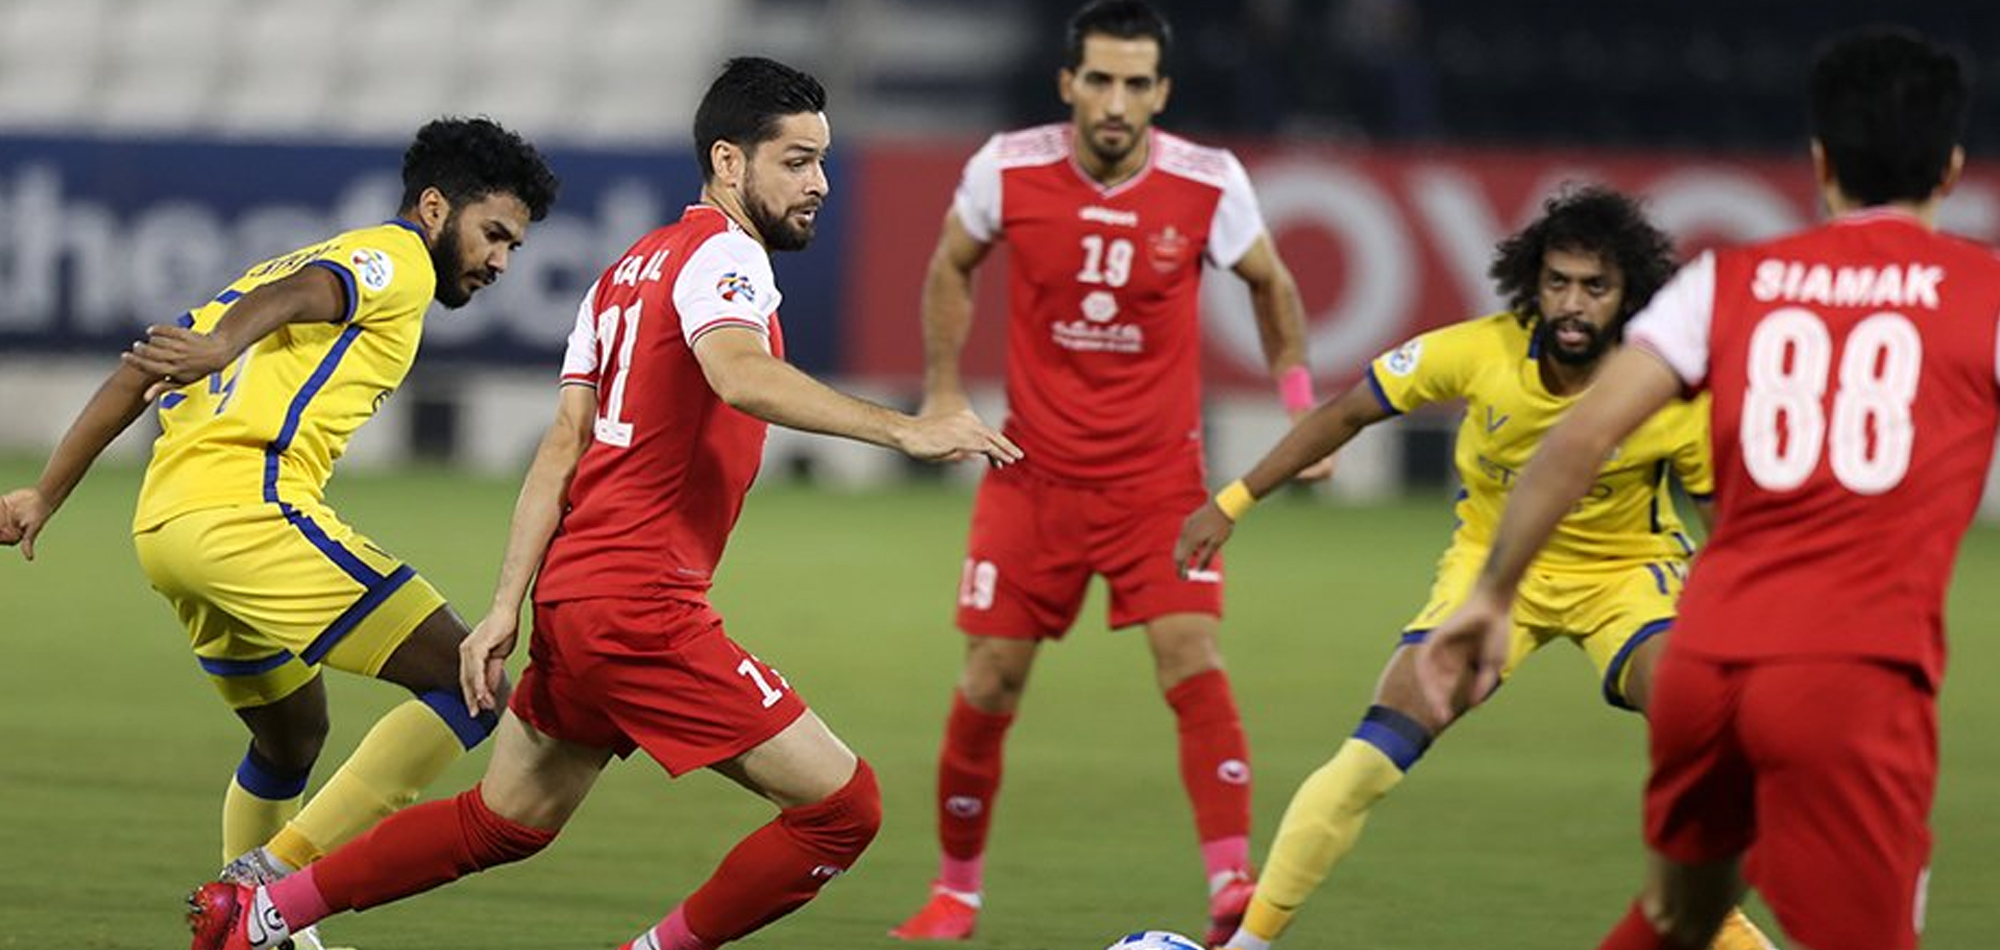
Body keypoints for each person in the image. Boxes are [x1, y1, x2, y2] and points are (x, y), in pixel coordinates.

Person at [186, 56, 1021, 950]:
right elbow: (739, 374)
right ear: (729, 163)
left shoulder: (628, 269)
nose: (818, 183)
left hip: (579, 598)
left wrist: (507, 605)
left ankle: (262, 914)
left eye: (822, 161)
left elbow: (561, 449)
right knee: (843, 809)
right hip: (640, 606)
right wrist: (905, 431)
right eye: (796, 161)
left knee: (505, 820)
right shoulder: (725, 257)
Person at [1414, 28, 1984, 950]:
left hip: (1705, 665)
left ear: (1820, 161)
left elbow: (1581, 434)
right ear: (1952, 168)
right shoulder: (1982, 294)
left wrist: (1492, 593)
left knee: (1677, 916)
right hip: (1852, 675)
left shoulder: (1725, 284)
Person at [0, 117, 558, 948]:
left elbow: (139, 368)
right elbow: (311, 293)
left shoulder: (274, 263)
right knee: (472, 683)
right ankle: (263, 891)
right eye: (494, 235)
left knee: (291, 734)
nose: (501, 262)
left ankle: (259, 930)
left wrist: (46, 492)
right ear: (436, 207)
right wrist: (227, 342)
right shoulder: (396, 257)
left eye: (514, 244)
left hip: (167, 528)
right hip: (246, 511)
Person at [1180, 186, 1773, 950]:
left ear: (1630, 295)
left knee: (1717, 751)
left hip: (1629, 580)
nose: (1572, 304)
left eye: (1595, 288)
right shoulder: (1475, 350)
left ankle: (1715, 918)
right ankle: (1245, 947)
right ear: (1532, 280)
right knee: (1368, 761)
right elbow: (1344, 414)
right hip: (1491, 579)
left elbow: (1727, 533)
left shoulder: (1672, 395)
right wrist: (1230, 502)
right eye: (1557, 282)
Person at [886, 2, 1325, 944]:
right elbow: (951, 264)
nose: (1117, 101)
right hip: (1030, 474)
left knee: (1191, 659)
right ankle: (954, 896)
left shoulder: (1210, 181)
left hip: (1158, 487)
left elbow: (1273, 285)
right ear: (1068, 84)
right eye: (1101, 80)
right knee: (990, 680)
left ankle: (1231, 887)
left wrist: (1299, 406)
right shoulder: (1006, 168)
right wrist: (940, 389)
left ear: (1161, 92)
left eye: (1136, 83)